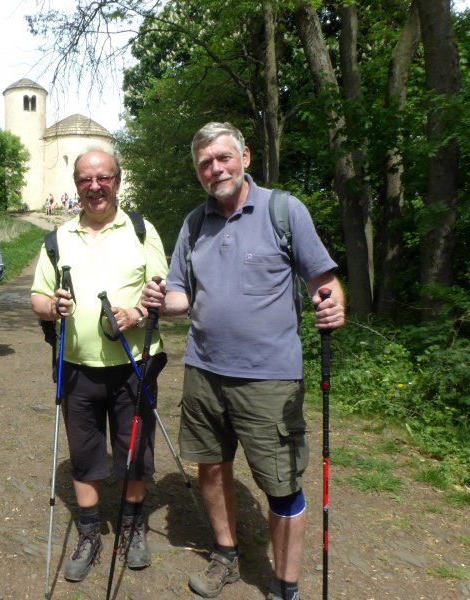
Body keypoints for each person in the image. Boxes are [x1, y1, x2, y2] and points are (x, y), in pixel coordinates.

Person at [141, 122, 345, 600]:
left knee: (280, 484)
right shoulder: (194, 224)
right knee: (211, 467)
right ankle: (226, 554)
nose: (215, 169)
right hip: (204, 371)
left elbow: (324, 281)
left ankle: (285, 585)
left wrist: (335, 303)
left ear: (245, 157)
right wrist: (157, 299)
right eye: (205, 164)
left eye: (223, 158)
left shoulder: (283, 210)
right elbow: (180, 297)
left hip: (270, 379)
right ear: (198, 173)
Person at [31, 149, 169, 582]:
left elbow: (163, 290)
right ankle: (89, 535)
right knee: (85, 453)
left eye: (103, 178)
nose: (95, 187)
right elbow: (36, 297)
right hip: (76, 365)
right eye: (86, 180)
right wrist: (53, 307)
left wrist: (137, 313)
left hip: (135, 364)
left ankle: (132, 527)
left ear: (117, 181)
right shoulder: (57, 239)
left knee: (135, 451)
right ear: (76, 186)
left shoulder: (143, 231)